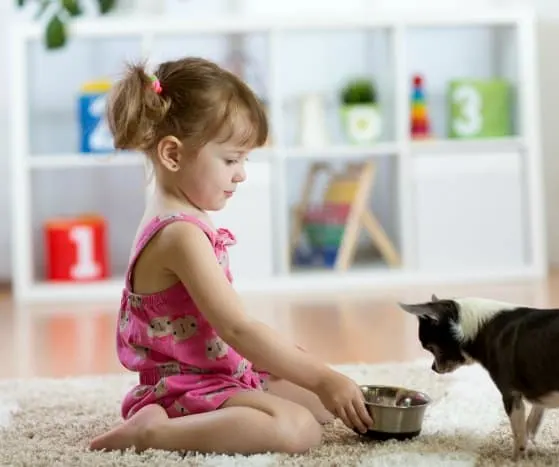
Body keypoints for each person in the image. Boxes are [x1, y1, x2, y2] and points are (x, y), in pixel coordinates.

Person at [88, 56, 373, 456]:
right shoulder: (179, 234)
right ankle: (153, 432)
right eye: (231, 160)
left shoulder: (182, 214)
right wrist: (325, 378)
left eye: (245, 160)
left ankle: (238, 405)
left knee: (320, 405)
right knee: (298, 429)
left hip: (217, 370)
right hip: (182, 388)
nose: (241, 174)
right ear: (172, 155)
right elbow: (237, 329)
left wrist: (312, 380)